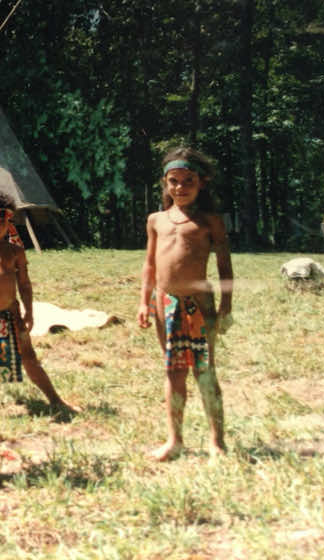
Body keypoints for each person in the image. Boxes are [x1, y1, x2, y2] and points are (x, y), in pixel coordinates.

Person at [137, 147, 233, 461]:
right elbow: (149, 265)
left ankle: (217, 442)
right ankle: (174, 440)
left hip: (199, 305)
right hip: (164, 305)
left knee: (204, 372)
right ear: (165, 184)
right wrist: (143, 302)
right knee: (173, 371)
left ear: (201, 182)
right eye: (173, 181)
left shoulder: (210, 222)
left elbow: (224, 267)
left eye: (188, 180)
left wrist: (225, 307)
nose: (180, 187)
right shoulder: (157, 220)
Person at [0, 191, 73, 415]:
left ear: (9, 221)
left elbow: (25, 284)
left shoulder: (15, 251)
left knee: (29, 357)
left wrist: (29, 311)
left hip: (11, 311)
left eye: (2, 221)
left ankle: (55, 400)